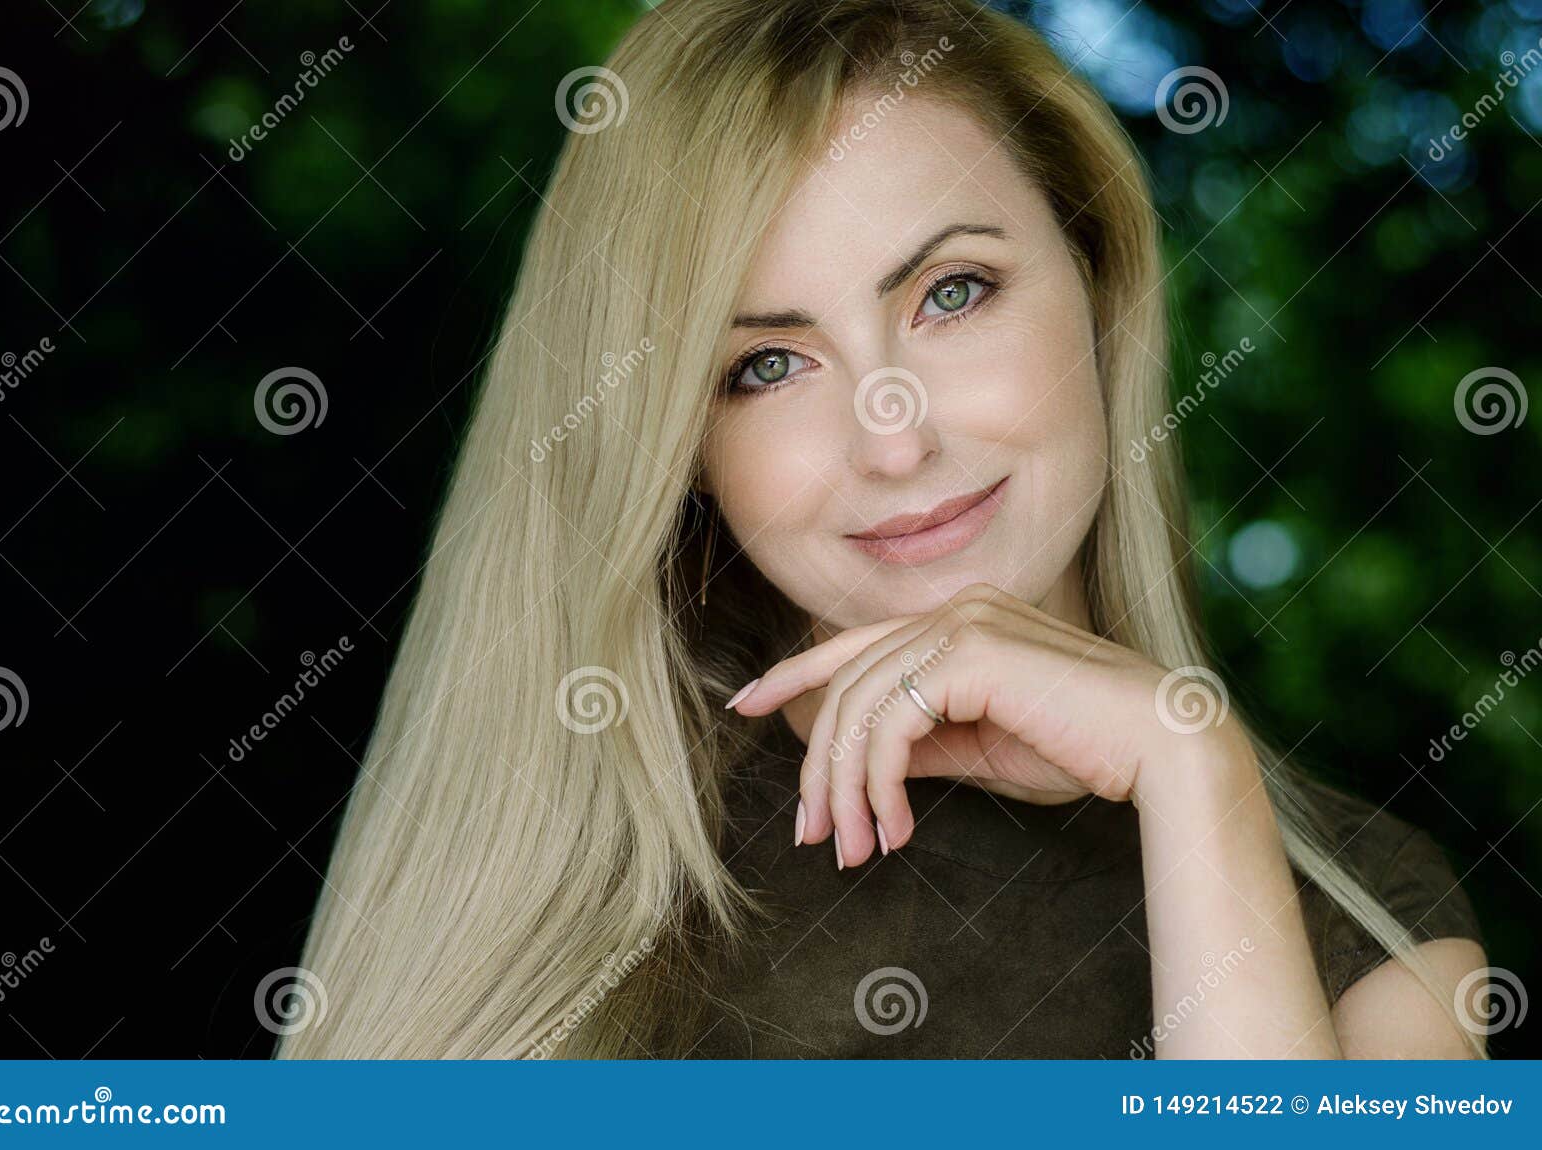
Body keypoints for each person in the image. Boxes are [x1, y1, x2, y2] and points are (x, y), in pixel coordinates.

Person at [276, 0, 1488, 1059]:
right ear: (677, 445)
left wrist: (1189, 767)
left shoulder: (1378, 920)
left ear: (1098, 282)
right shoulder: (531, 886)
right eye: (764, 365)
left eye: (950, 293)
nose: (892, 436)